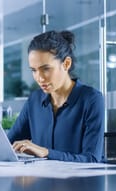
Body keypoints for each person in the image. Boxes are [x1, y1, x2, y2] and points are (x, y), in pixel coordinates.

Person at [7, 30, 105, 162]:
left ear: (66, 64)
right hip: (43, 180)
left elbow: (92, 159)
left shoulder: (91, 99)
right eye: (34, 70)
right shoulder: (34, 101)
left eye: (46, 69)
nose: (39, 78)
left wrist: (46, 153)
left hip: (80, 181)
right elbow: (8, 144)